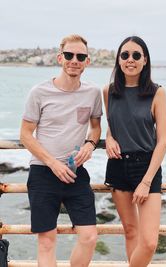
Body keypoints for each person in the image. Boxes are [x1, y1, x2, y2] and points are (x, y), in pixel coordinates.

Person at [20, 34, 102, 267]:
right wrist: (53, 163)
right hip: (43, 173)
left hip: (76, 173)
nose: (74, 60)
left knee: (89, 237)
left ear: (87, 61)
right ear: (60, 58)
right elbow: (25, 134)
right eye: (69, 55)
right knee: (47, 241)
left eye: (80, 56)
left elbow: (96, 128)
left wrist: (90, 144)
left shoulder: (93, 93)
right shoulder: (39, 92)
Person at [103, 36, 166, 267]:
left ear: (145, 60)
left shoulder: (157, 93)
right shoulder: (108, 92)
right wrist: (108, 138)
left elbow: (162, 141)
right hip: (118, 165)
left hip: (147, 167)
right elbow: (113, 124)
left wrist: (146, 181)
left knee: (149, 241)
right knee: (131, 232)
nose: (130, 60)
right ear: (119, 60)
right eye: (125, 55)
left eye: (136, 55)